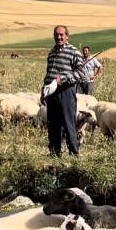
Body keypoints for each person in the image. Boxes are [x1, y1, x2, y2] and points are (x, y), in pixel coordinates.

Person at [41, 25, 88, 157]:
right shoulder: (52, 53)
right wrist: (43, 91)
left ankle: (74, 152)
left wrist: (64, 79)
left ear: (67, 36)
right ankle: (55, 152)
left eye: (61, 35)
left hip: (66, 91)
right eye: (56, 34)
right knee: (53, 123)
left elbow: (81, 73)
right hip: (51, 93)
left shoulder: (73, 52)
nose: (59, 37)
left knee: (68, 122)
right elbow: (48, 74)